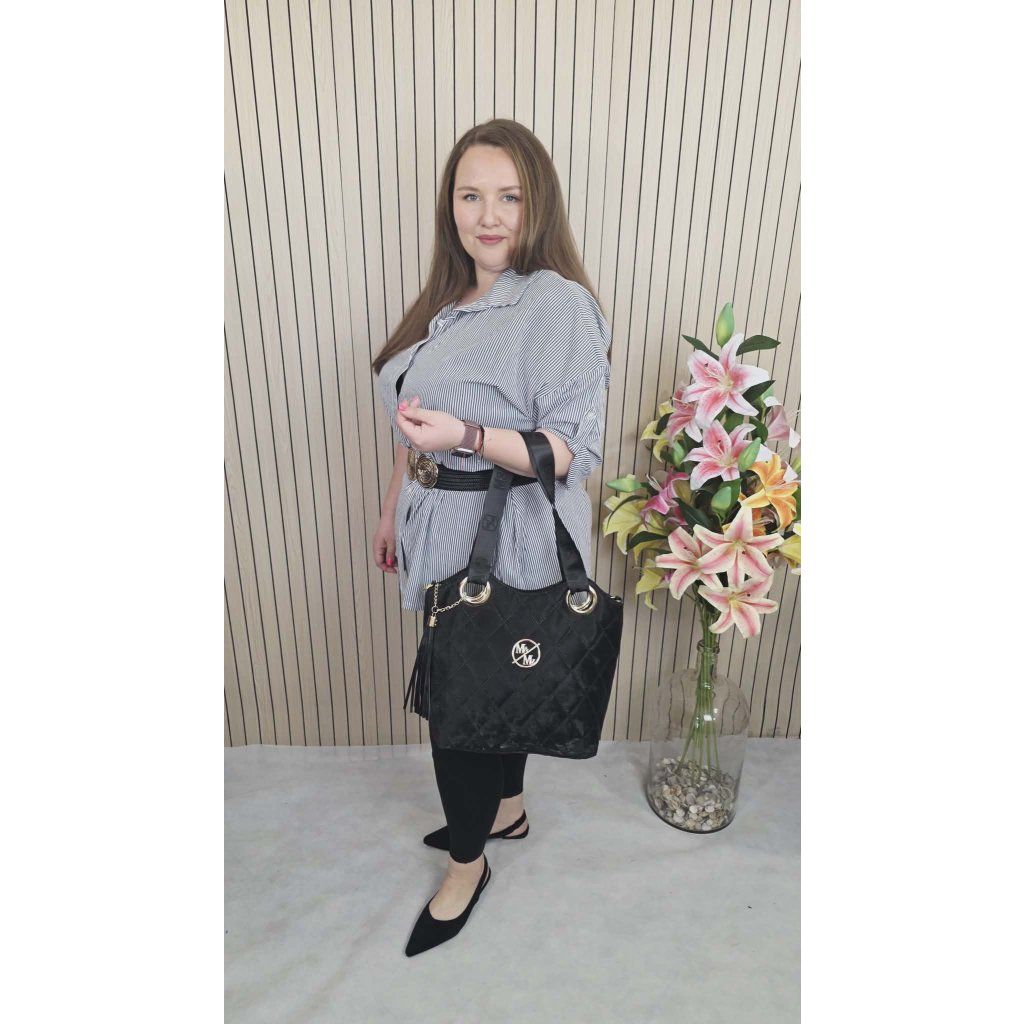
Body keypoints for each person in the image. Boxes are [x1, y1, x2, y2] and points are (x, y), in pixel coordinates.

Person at [371, 119, 612, 956]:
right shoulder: (450, 303)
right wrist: (393, 505)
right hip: (439, 521)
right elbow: (412, 424)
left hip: (507, 530)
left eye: (508, 196)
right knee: (494, 682)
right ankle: (505, 811)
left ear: (537, 202)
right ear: (451, 205)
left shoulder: (555, 303)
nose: (488, 215)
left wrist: (466, 437)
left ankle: (466, 867)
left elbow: (568, 450)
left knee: (466, 703)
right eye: (470, 195)